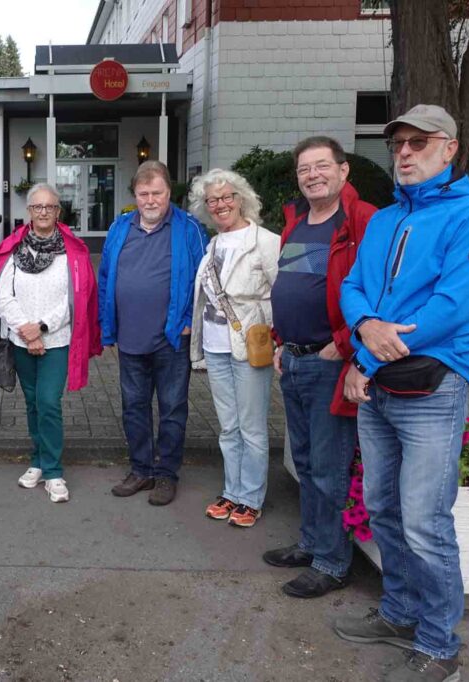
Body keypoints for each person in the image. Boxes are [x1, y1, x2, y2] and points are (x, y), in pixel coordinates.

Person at [336, 104, 469, 682]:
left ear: (450, 148)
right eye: (398, 143)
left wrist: (370, 347)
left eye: (419, 142)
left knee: (425, 521)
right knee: (383, 508)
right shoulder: (384, 220)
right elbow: (355, 286)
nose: (404, 152)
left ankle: (439, 643)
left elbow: (452, 307)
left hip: (432, 386)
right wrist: (364, 332)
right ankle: (401, 613)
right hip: (378, 382)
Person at [263, 137, 377, 598]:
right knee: (306, 462)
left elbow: (378, 291)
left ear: (343, 171)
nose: (312, 175)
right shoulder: (297, 224)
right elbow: (291, 287)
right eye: (304, 169)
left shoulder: (363, 220)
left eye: (321, 166)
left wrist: (345, 344)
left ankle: (332, 562)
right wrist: (278, 341)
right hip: (293, 360)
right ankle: (311, 544)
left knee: (329, 468)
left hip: (330, 364)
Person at [0, 183, 101, 502]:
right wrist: (25, 329)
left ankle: (54, 471)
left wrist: (42, 328)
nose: (43, 212)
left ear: (59, 212)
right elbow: (1, 295)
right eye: (37, 207)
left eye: (49, 207)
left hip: (56, 340)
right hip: (21, 340)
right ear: (29, 212)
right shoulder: (14, 248)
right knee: (32, 403)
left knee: (49, 402)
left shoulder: (71, 252)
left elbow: (75, 298)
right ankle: (37, 460)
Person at [98, 160, 209, 506]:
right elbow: (105, 278)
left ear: (168, 193)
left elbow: (205, 279)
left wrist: (193, 320)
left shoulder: (189, 229)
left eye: (156, 193)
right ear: (134, 194)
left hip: (173, 339)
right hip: (130, 339)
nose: (150, 200)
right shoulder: (119, 227)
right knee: (134, 406)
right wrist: (107, 324)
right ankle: (141, 469)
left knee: (173, 407)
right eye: (143, 193)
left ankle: (166, 474)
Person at [188, 169, 279, 528]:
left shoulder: (266, 241)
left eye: (227, 197)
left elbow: (279, 293)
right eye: (213, 200)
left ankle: (250, 497)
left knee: (252, 426)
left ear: (242, 198)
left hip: (249, 345)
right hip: (215, 345)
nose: (221, 205)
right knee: (228, 426)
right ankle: (232, 491)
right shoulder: (212, 244)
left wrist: (269, 332)